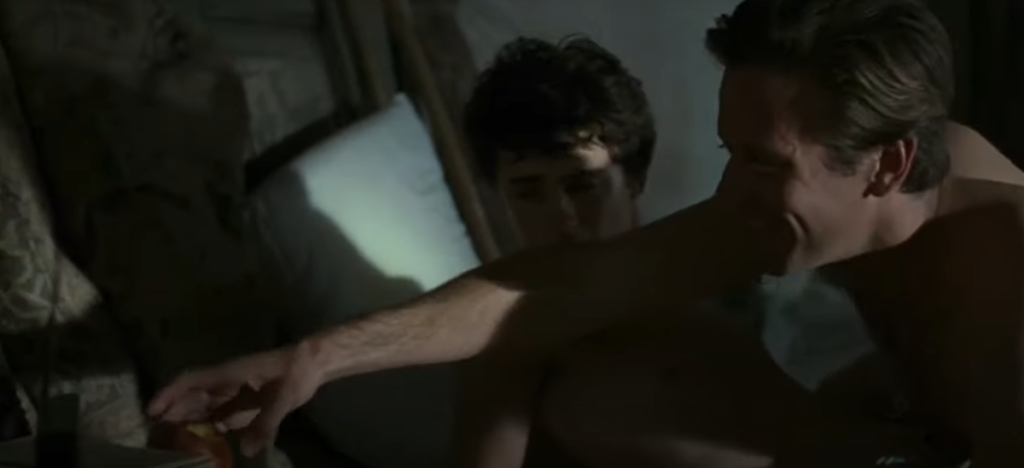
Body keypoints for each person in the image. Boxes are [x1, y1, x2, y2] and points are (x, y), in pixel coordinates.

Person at [150, 1, 1024, 467]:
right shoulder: (859, 199)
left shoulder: (1006, 285)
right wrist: (316, 358)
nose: (730, 191)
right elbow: (562, 289)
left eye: (765, 162)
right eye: (732, 153)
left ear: (884, 165)